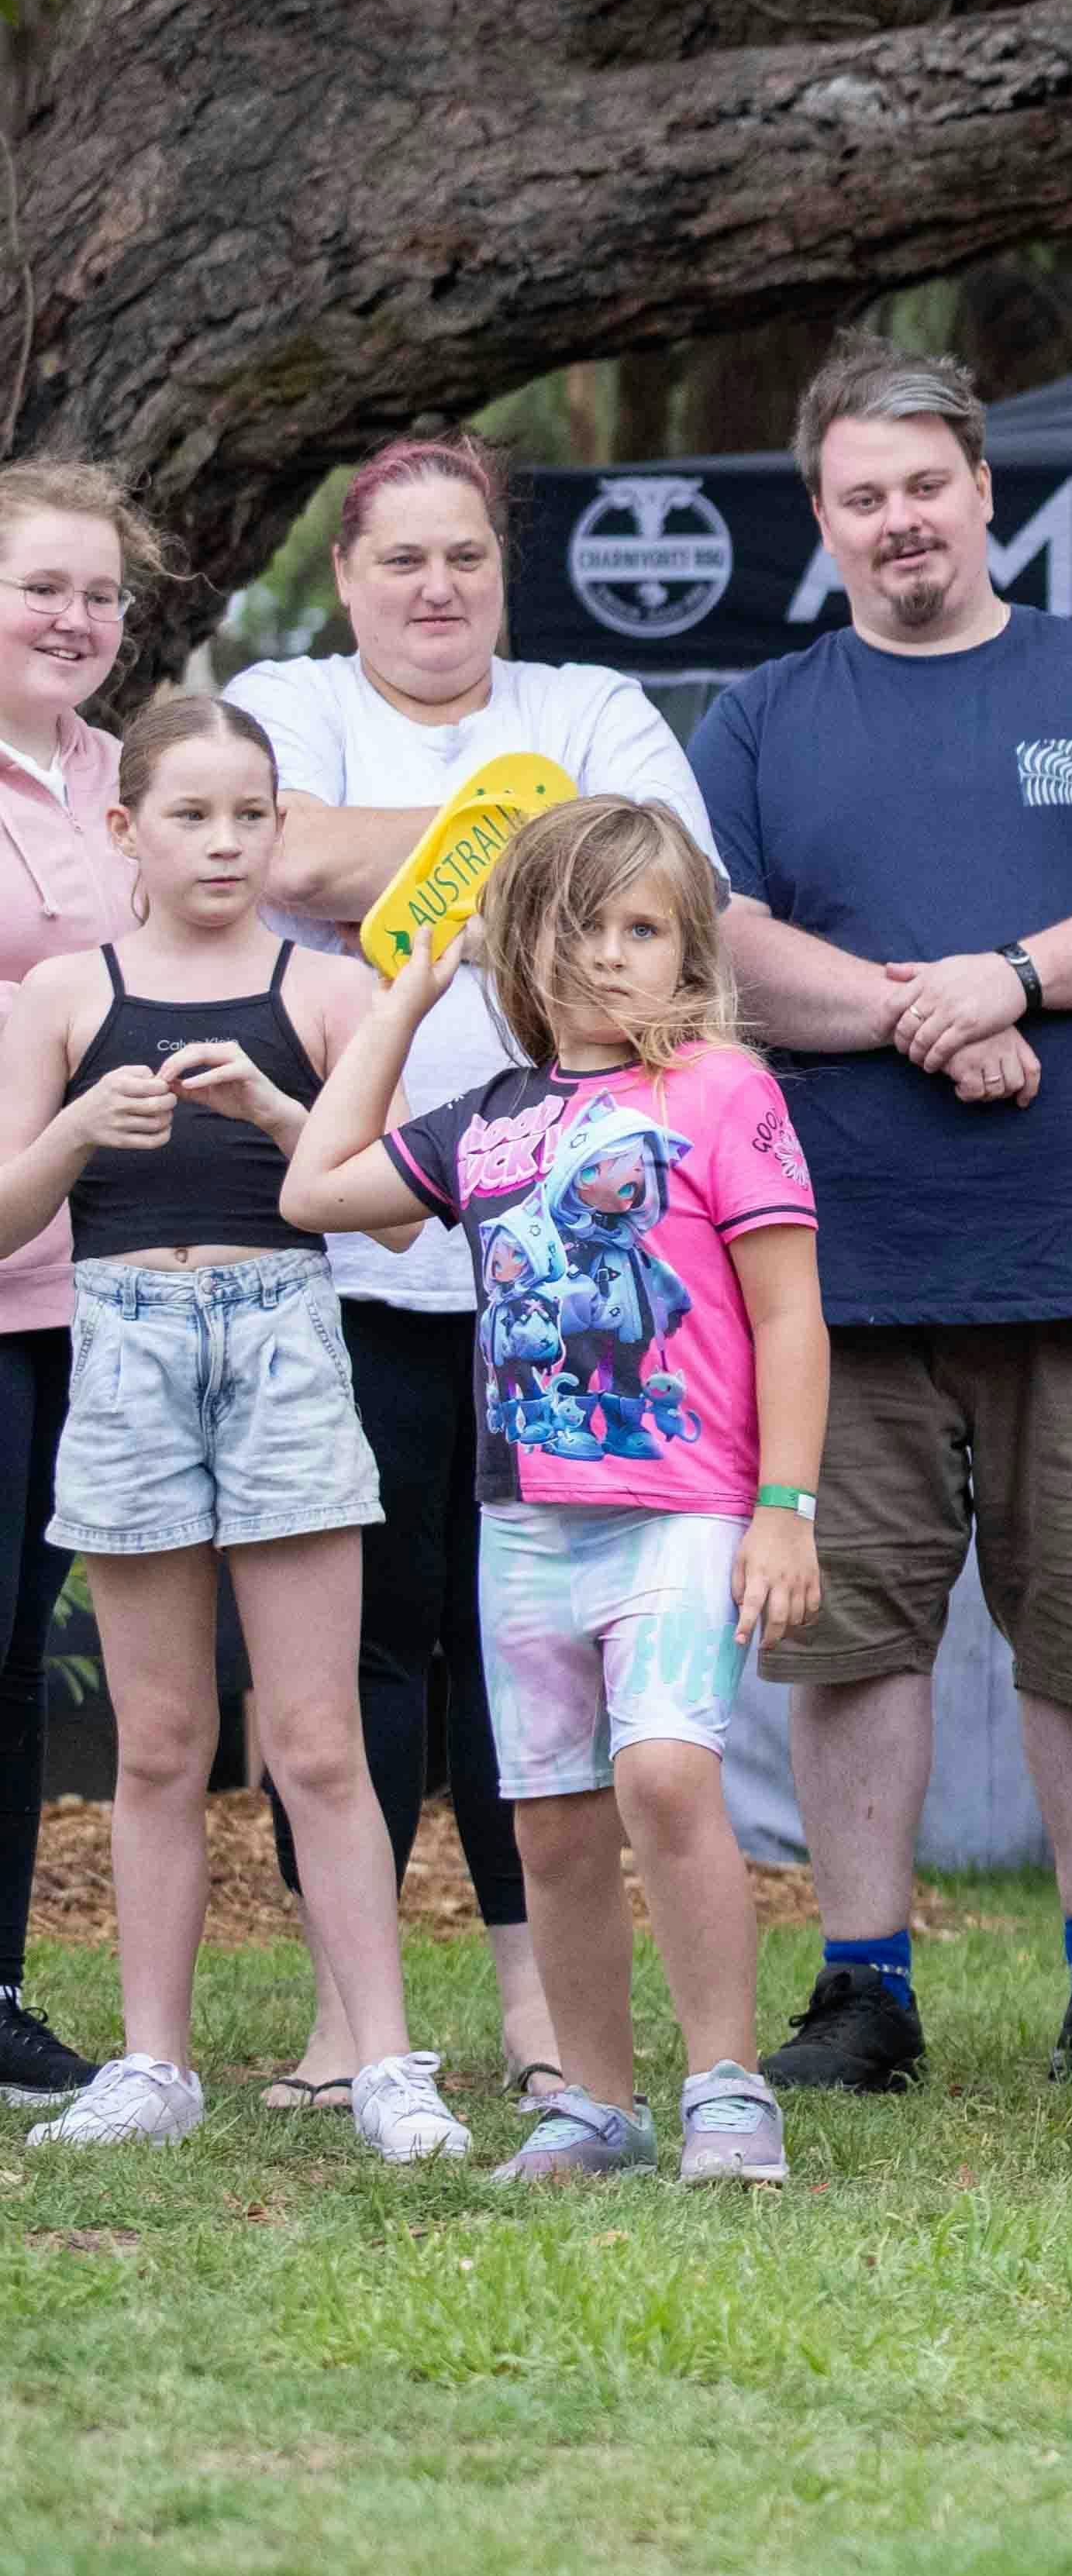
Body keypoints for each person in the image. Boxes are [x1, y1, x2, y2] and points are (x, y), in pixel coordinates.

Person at [688, 339, 1072, 2096]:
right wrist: (929, 1009)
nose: (899, 519)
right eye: (862, 494)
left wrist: (1006, 974)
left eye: (926, 483)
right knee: (850, 1632)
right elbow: (714, 944)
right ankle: (865, 1984)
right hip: (831, 1266)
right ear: (825, 515)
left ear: (984, 488)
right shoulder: (765, 712)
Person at [227, 429, 695, 2106]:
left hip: (560, 1269)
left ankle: (533, 2005)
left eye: (466, 557)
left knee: (525, 1648)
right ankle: (347, 2015)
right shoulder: (284, 696)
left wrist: (408, 852)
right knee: (357, 1648)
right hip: (343, 1254)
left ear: (506, 569)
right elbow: (271, 855)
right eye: (400, 560)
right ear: (346, 576)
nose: (436, 586)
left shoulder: (597, 699)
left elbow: (667, 884)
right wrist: (538, 838)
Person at [281, 800, 825, 2185]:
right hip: (524, 1521)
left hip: (688, 1506)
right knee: (552, 1813)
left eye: (644, 927)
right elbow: (317, 1187)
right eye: (582, 924)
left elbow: (790, 1315)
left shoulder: (719, 1091)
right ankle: (597, 2099)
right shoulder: (493, 1121)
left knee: (666, 1770)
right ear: (521, 947)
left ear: (691, 954)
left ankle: (725, 2085)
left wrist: (787, 1504)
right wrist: (405, 990)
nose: (612, 954)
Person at [0, 698, 453, 2158]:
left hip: (283, 1349)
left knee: (315, 1737)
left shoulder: (322, 992)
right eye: (189, 813)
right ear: (124, 828)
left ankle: (385, 2060)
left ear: (279, 825)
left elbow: (384, 1219)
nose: (223, 840)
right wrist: (73, 1132)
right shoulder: (62, 992)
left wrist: (276, 1112)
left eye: (250, 813)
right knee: (159, 1739)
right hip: (124, 1351)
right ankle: (153, 2062)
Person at [0, 458, 144, 2102]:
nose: (75, 616)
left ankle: (1, 1982)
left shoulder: (130, 773)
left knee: (19, 1649)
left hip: (92, 1283)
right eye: (44, 583)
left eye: (100, 592)